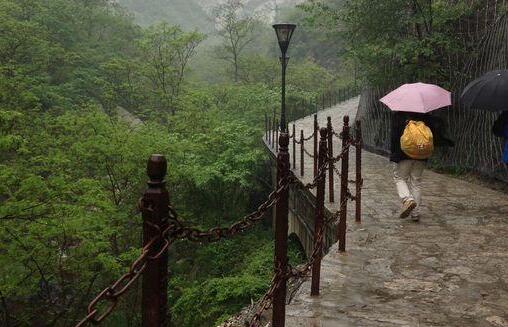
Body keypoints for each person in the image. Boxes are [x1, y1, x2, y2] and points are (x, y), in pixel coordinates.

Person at [390, 111, 454, 221]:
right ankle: (415, 213)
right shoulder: (425, 116)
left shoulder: (399, 115)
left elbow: (395, 137)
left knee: (400, 178)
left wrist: (393, 155)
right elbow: (432, 136)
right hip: (421, 155)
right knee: (416, 182)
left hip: (403, 155)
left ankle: (408, 199)